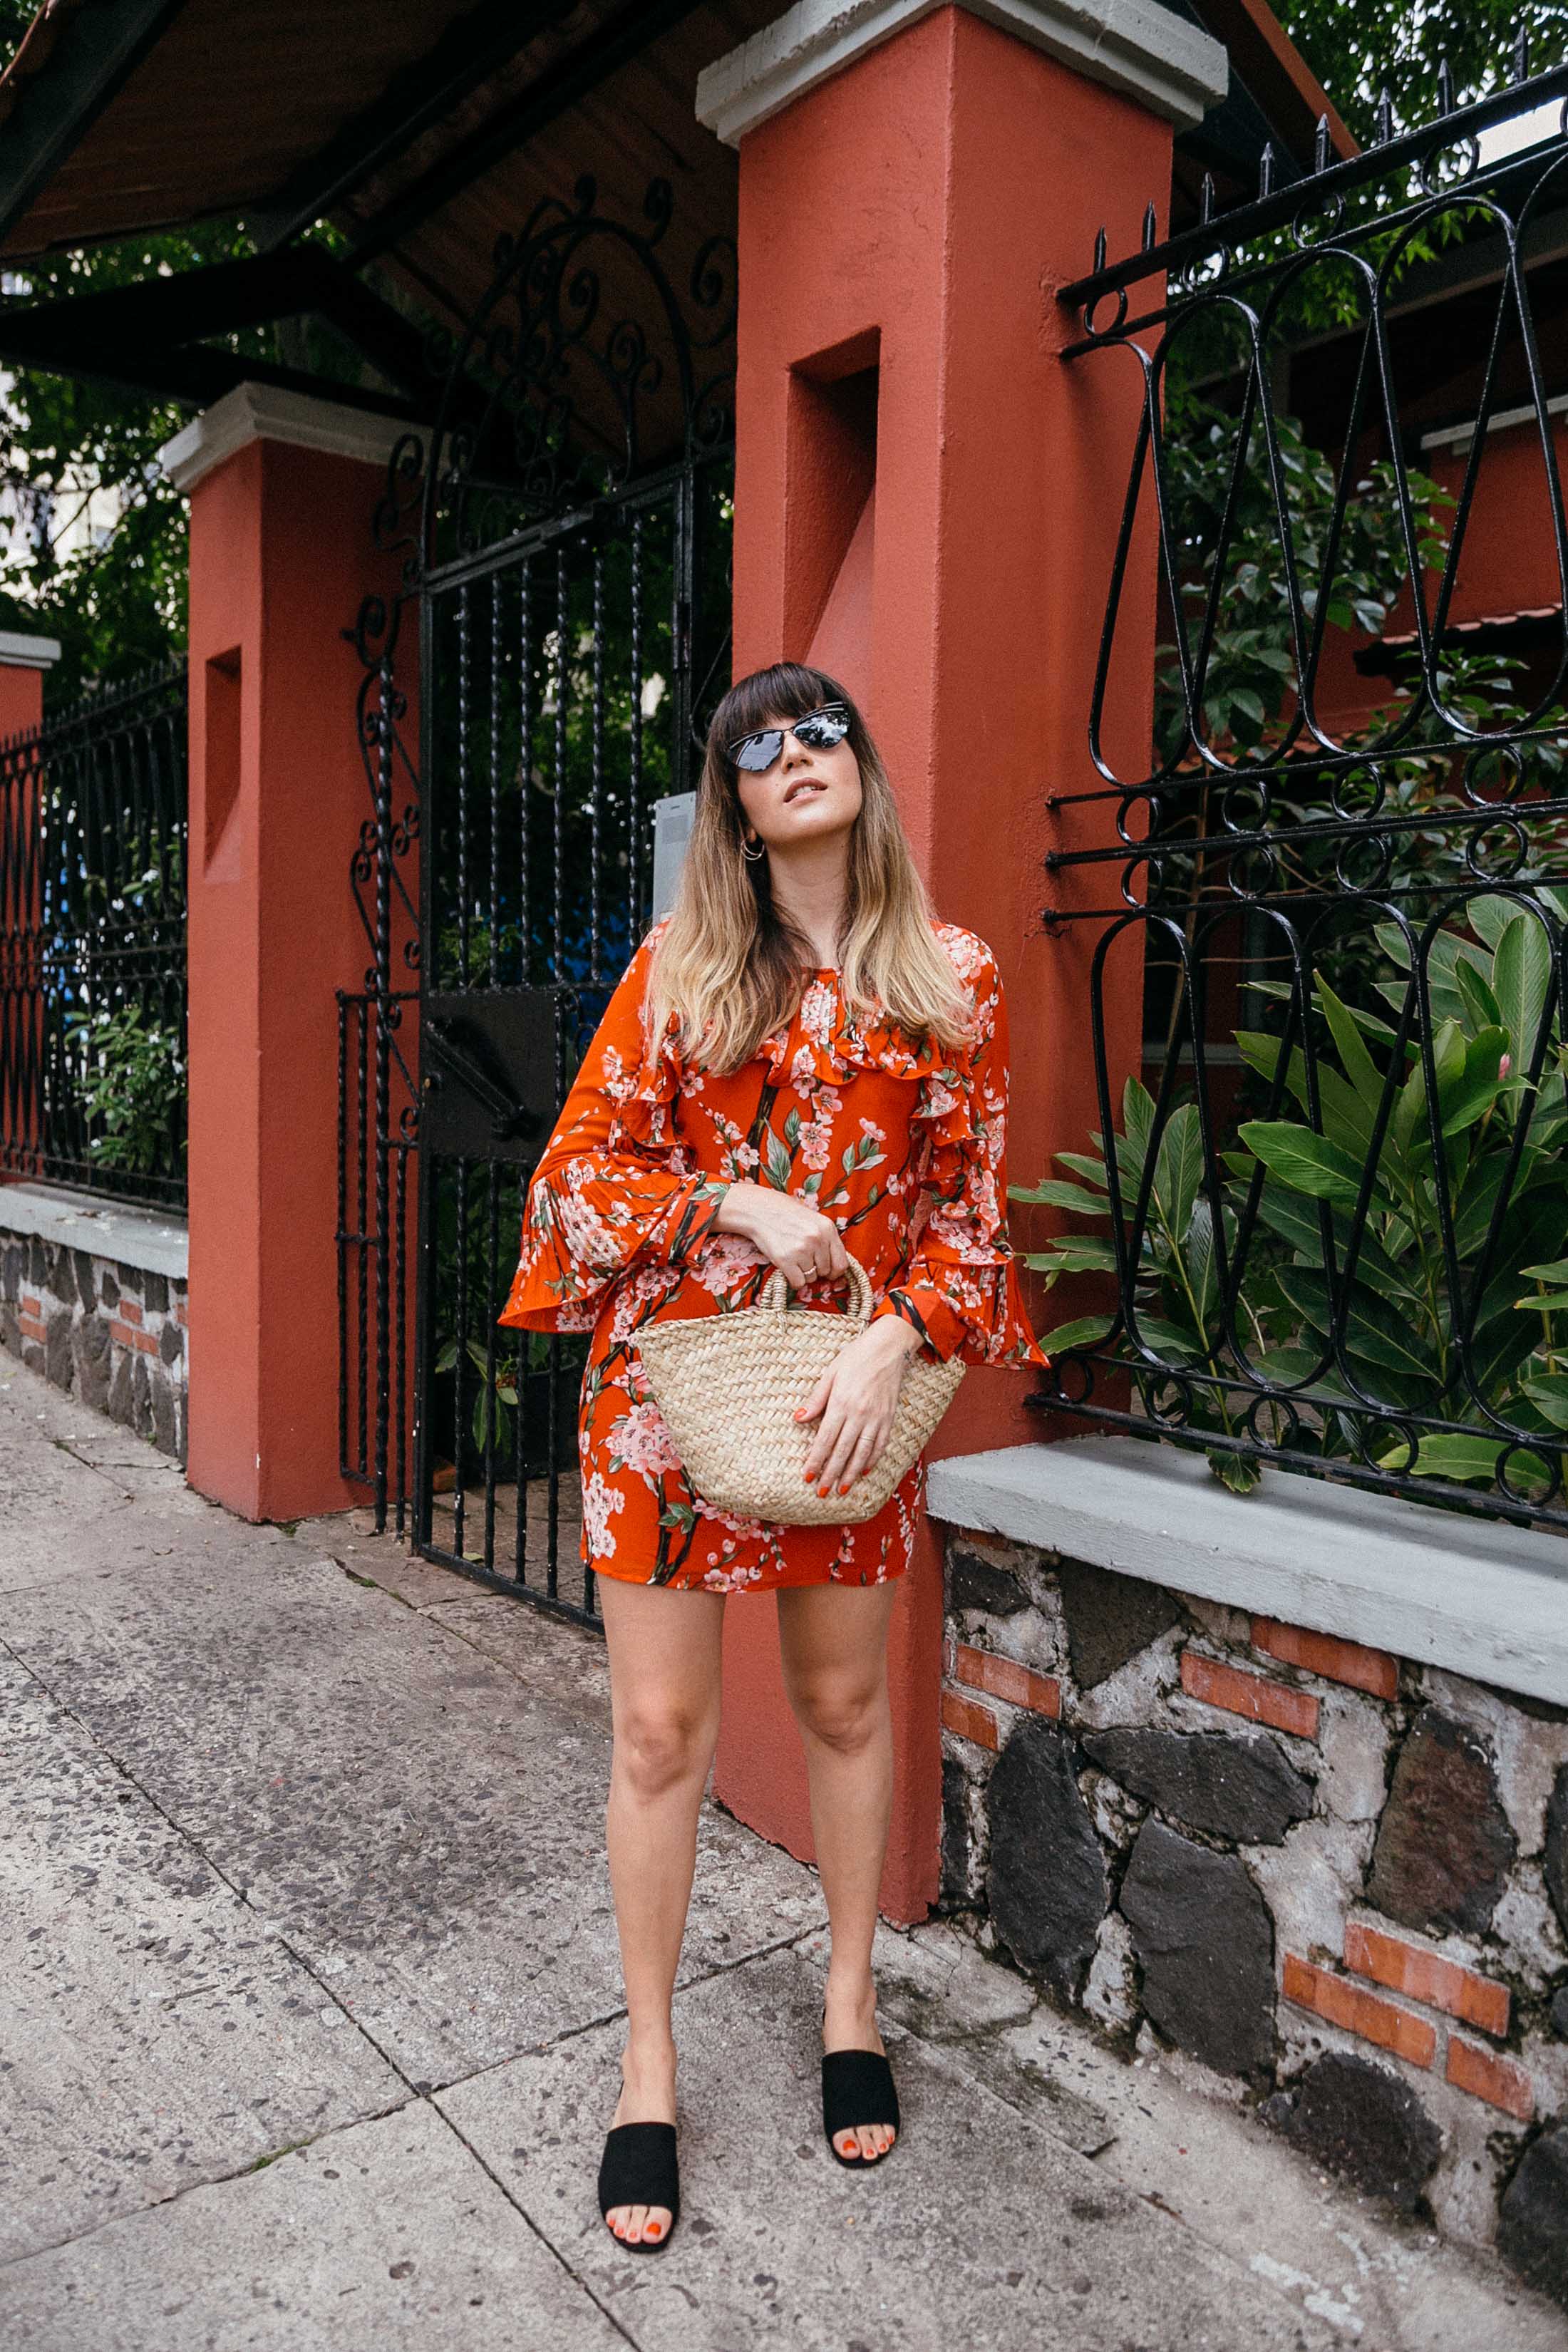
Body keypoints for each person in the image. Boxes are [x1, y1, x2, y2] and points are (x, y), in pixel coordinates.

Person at [498, 661, 1047, 2252]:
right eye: (760, 744)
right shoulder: (678, 973)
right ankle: (650, 2066)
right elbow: (570, 1188)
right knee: (662, 1733)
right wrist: (736, 1205)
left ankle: (849, 2002)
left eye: (823, 732)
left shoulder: (950, 975)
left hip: (844, 1404)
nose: (797, 754)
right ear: (733, 809)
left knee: (843, 1700)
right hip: (665, 1404)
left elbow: (967, 1216)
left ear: (862, 772)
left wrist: (891, 1341)